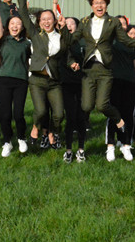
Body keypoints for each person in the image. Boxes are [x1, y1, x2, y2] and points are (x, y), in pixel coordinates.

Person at [72, 0, 135, 161]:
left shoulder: (114, 25)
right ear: (91, 5)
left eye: (102, 3)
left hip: (110, 72)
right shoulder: (87, 23)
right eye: (96, 3)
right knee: (90, 106)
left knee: (107, 106)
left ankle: (122, 131)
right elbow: (74, 39)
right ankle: (112, 137)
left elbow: (128, 43)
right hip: (93, 71)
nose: (99, 6)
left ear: (107, 5)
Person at [17, 0, 69, 150]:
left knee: (59, 114)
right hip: (37, 81)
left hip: (54, 82)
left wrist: (64, 28)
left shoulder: (60, 37)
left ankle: (53, 132)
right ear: (39, 22)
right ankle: (35, 126)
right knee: (40, 112)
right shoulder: (35, 34)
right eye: (43, 19)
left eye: (49, 19)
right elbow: (24, 15)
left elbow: (68, 49)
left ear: (54, 20)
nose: (46, 22)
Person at [0, 0, 31, 158]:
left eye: (18, 23)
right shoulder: (3, 40)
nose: (15, 26)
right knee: (4, 115)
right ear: (8, 26)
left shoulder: (27, 43)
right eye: (12, 23)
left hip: (21, 81)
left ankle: (21, 137)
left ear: (22, 26)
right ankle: (7, 142)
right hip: (3, 81)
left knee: (18, 114)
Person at [105, 0, 135, 161]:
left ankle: (126, 145)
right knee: (114, 113)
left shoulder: (130, 42)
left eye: (123, 24)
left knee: (128, 114)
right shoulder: (109, 41)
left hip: (129, 81)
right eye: (118, 23)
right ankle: (110, 146)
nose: (121, 26)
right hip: (113, 81)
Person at [60, 16, 87, 163]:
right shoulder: (61, 41)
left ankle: (81, 150)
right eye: (66, 23)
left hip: (82, 82)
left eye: (72, 23)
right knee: (70, 117)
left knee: (81, 117)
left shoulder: (83, 42)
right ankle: (68, 150)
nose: (69, 26)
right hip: (67, 83)